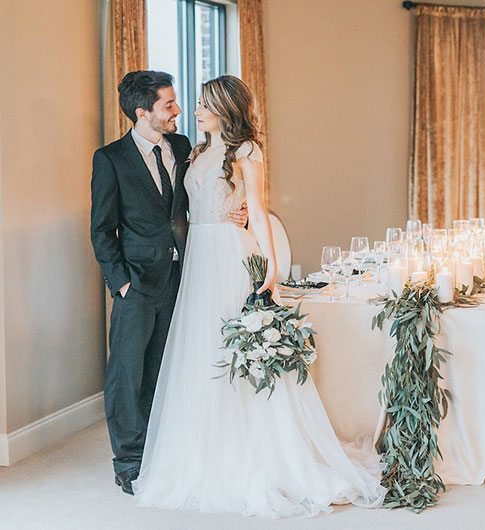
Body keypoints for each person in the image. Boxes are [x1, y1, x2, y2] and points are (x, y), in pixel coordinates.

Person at [132, 75, 385, 518]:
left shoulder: (245, 151)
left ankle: (259, 456)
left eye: (204, 105)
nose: (195, 111)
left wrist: (271, 269)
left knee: (236, 353)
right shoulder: (193, 150)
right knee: (201, 353)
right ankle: (203, 452)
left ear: (225, 108)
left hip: (230, 255)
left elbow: (260, 212)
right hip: (199, 262)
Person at [89, 71, 246, 495]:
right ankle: (130, 461)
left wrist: (240, 213)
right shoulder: (111, 159)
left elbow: (217, 193)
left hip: (188, 276)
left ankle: (162, 450)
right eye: (169, 105)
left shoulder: (184, 148)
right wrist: (120, 283)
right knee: (127, 374)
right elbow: (102, 230)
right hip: (136, 283)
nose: (178, 111)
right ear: (144, 113)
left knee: (167, 369)